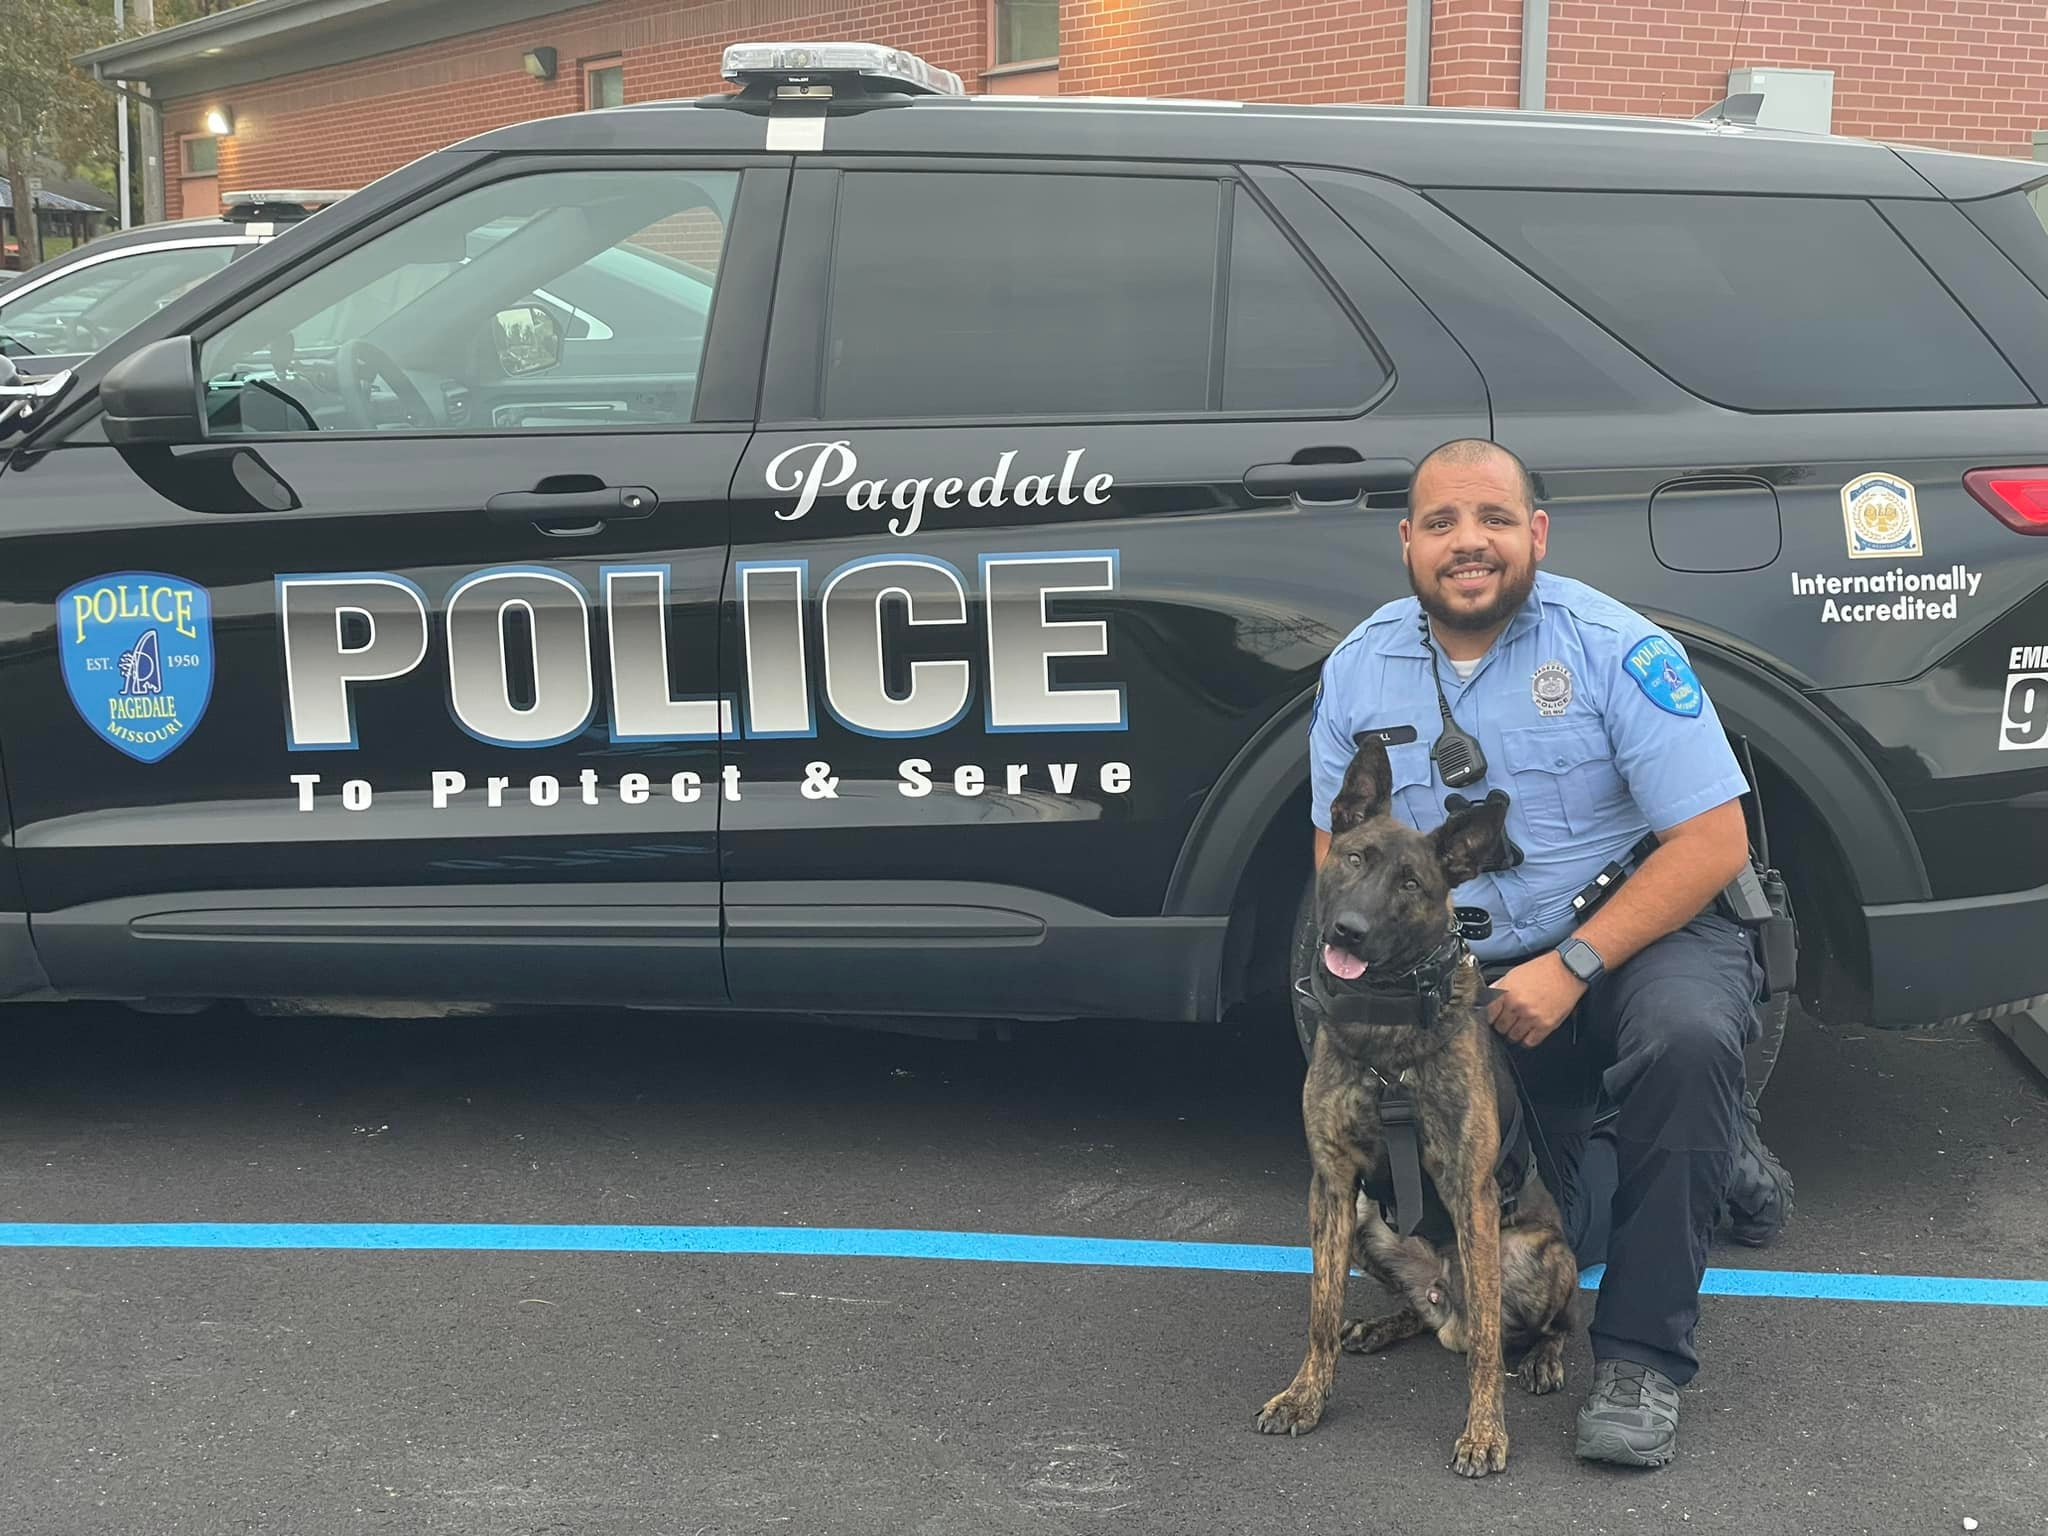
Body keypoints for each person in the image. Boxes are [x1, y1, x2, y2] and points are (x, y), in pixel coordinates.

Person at [1306, 437, 1794, 1469]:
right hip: (1466, 980)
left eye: (1491, 519)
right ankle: (1710, 1157)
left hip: (1629, 939)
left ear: (1533, 534)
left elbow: (1709, 846)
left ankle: (1640, 1361)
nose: (1465, 544)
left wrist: (1571, 967)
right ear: (1406, 543)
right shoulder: (1358, 667)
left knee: (1686, 1038)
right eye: (1439, 523)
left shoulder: (1613, 646)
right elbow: (1337, 854)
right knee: (1544, 1246)